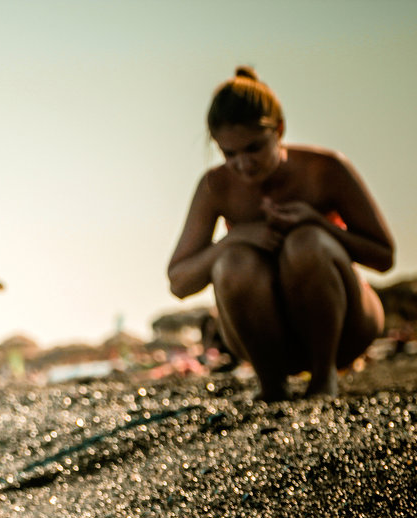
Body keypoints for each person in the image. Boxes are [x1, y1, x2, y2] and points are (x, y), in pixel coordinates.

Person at [167, 67, 394, 400]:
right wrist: (235, 237)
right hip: (266, 341)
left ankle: (323, 377)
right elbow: (178, 282)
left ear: (280, 130)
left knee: (306, 243)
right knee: (232, 261)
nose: (243, 163)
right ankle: (271, 385)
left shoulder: (325, 169)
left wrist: (316, 223)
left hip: (346, 331)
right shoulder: (216, 186)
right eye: (229, 153)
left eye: (254, 148)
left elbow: (384, 258)